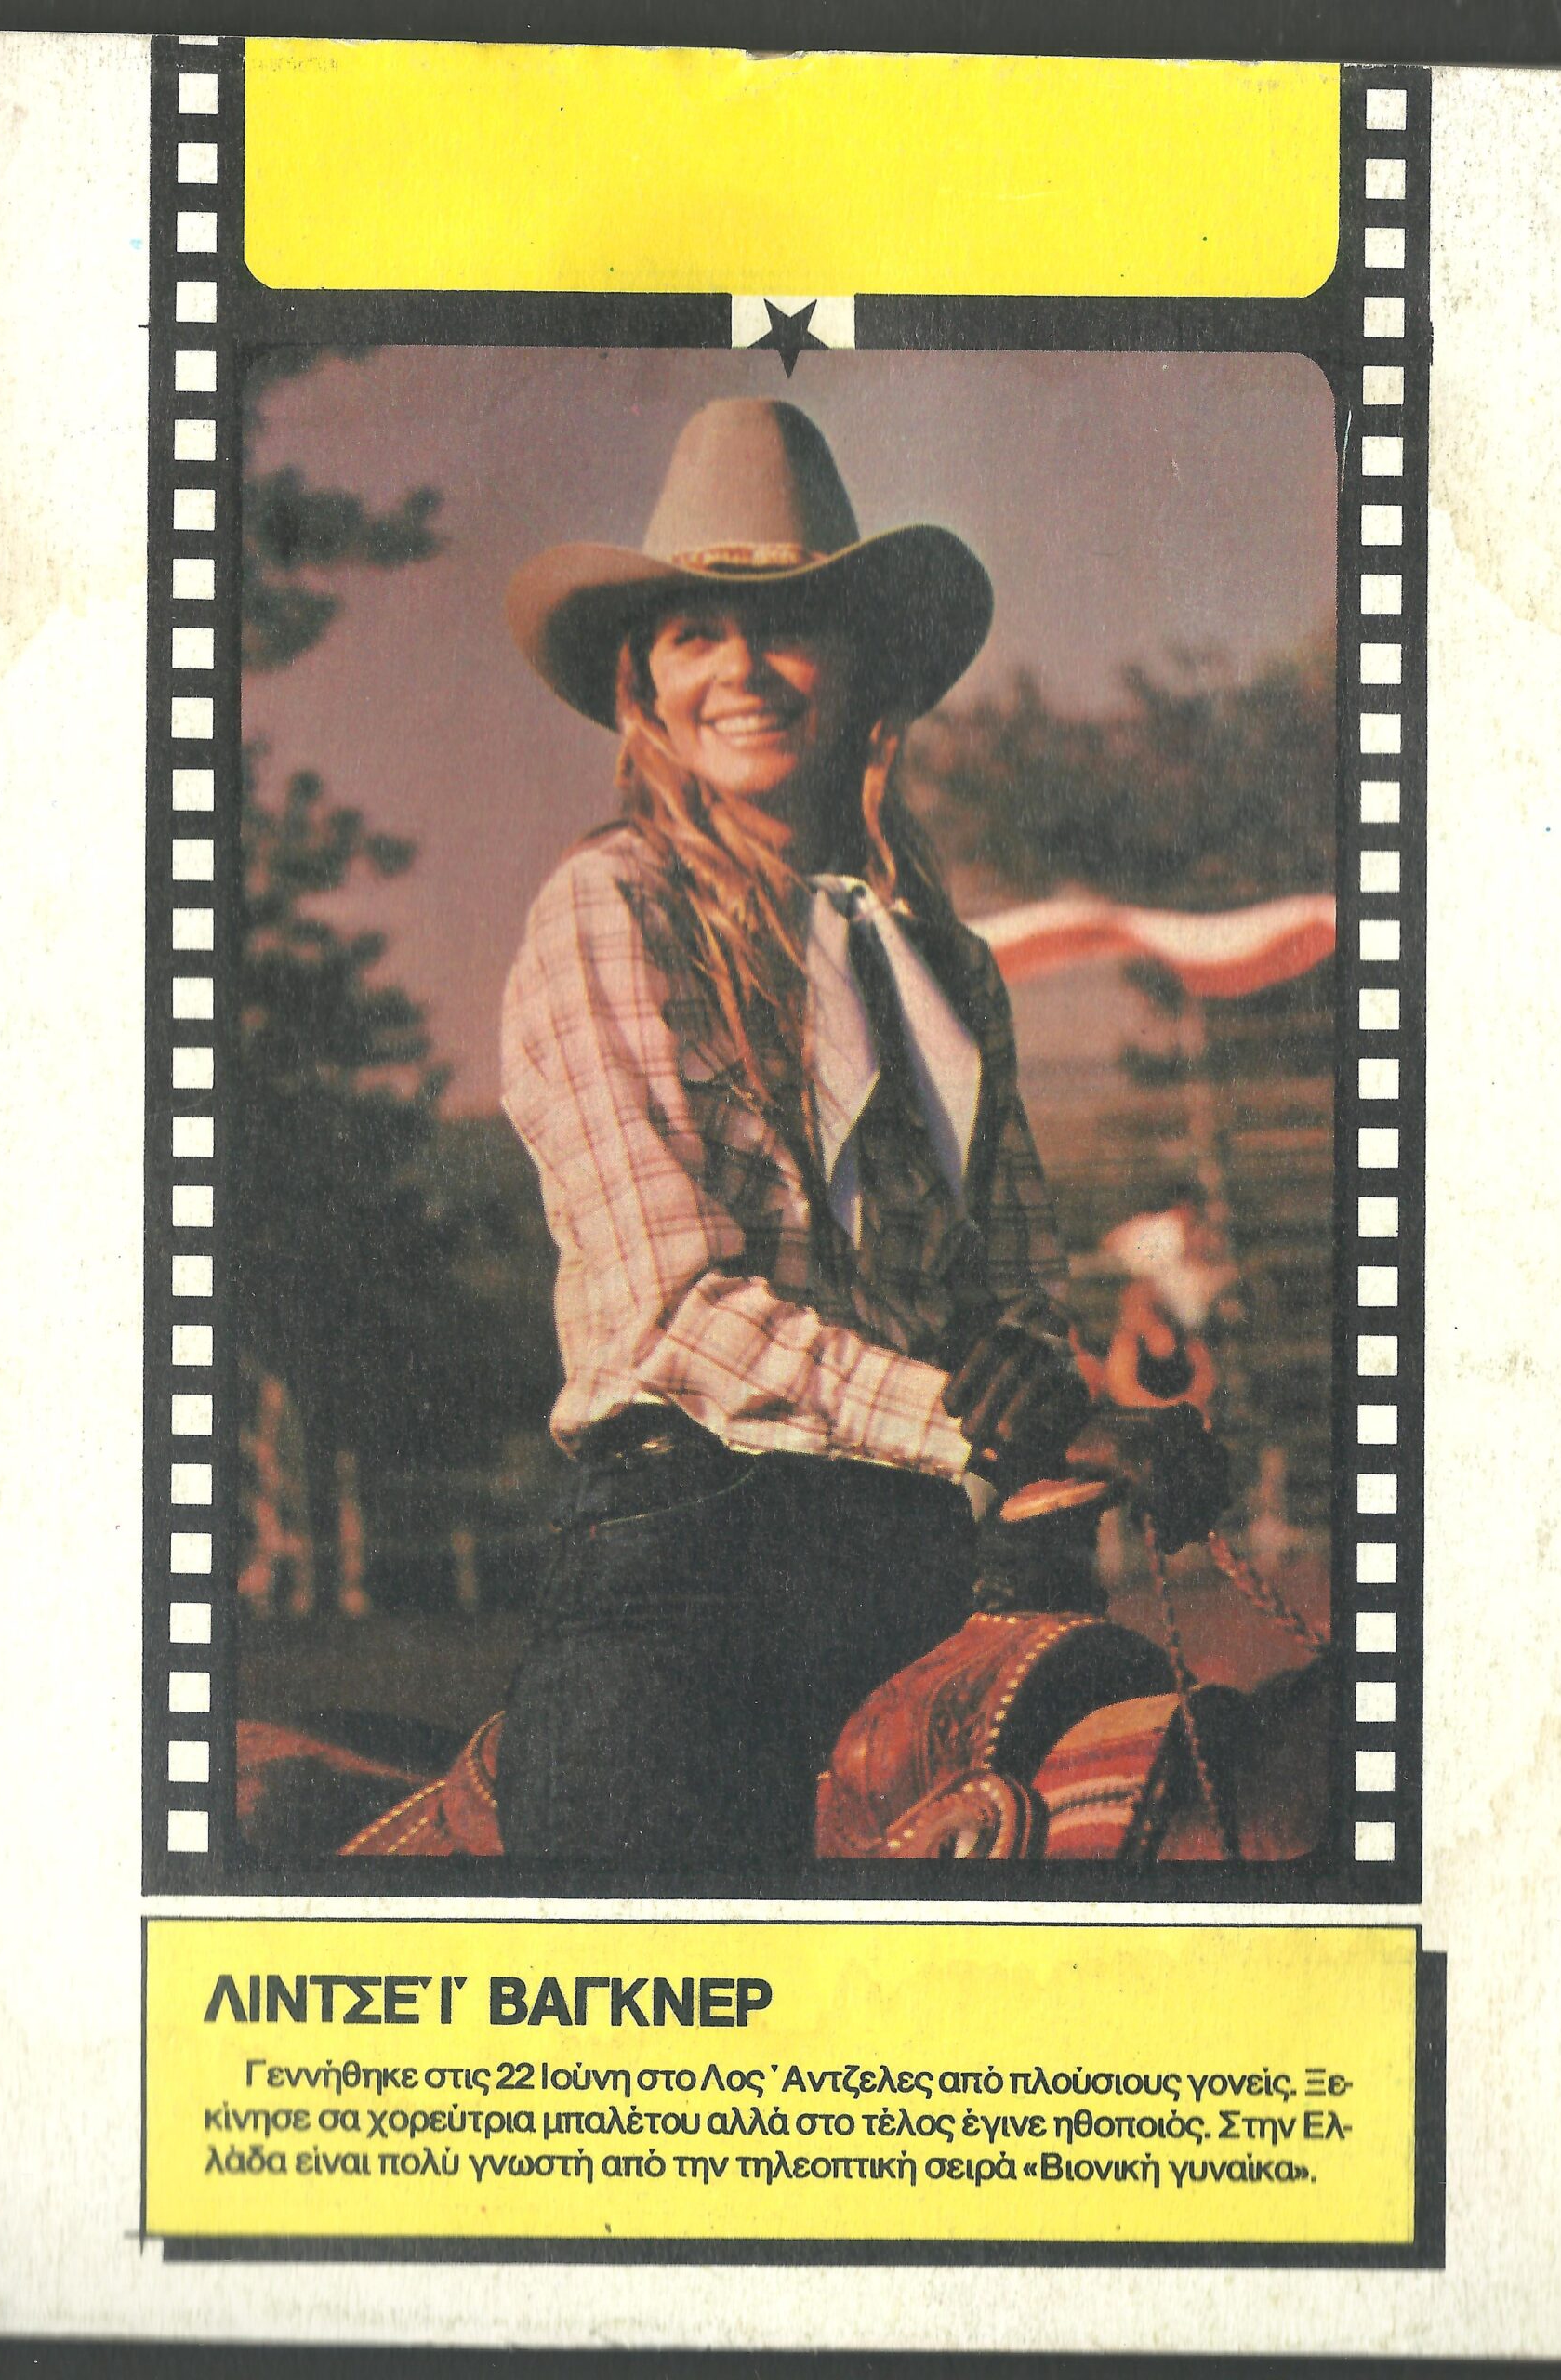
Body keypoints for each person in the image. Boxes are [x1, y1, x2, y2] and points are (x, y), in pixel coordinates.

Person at [496, 396, 1224, 1867]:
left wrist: (1038, 1375)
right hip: (690, 1570)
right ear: (648, 682)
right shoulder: (609, 906)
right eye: (694, 633)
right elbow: (680, 1312)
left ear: (858, 662)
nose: (740, 670)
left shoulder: (939, 963)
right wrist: (973, 1419)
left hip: (927, 1566)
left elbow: (1011, 1281)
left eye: (786, 625)